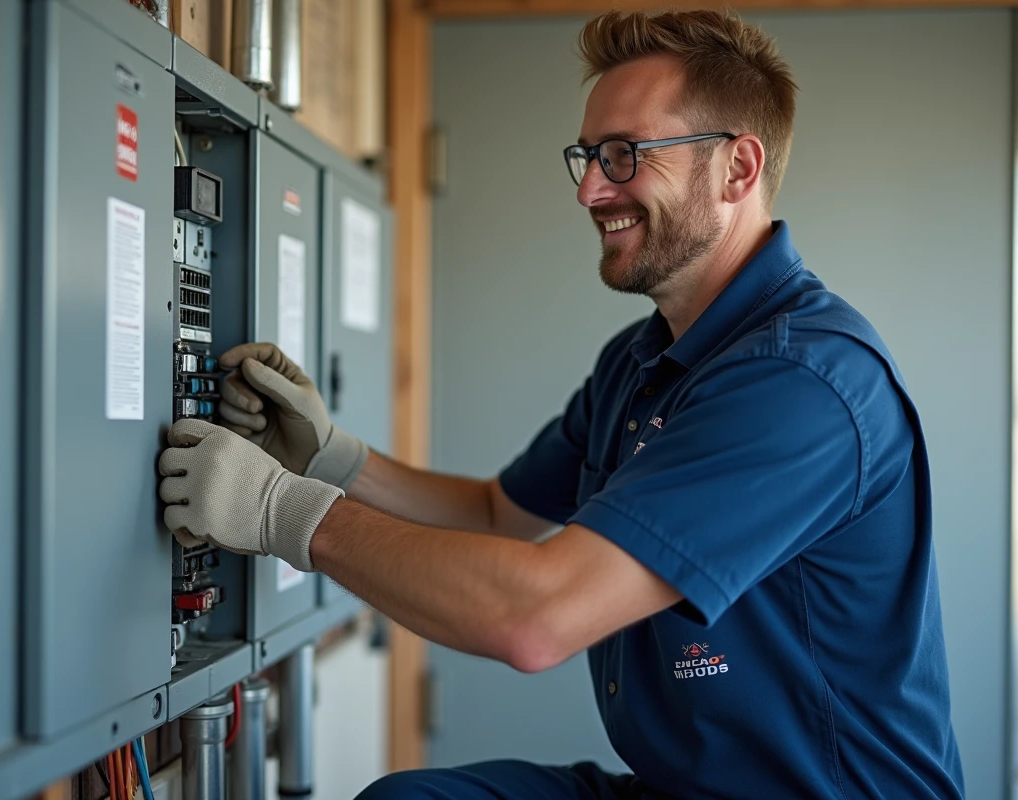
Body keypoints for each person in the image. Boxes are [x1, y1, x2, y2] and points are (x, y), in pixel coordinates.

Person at [158, 9, 964, 799]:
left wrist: (283, 513)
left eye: (623, 156)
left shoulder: (803, 385)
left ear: (738, 169)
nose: (588, 190)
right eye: (585, 156)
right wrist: (333, 460)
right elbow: (496, 513)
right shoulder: (642, 361)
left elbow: (536, 618)